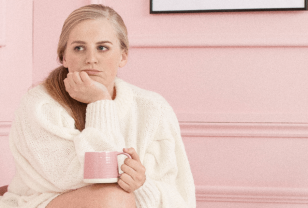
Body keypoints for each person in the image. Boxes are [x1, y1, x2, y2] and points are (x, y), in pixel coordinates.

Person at [0, 4, 196, 208]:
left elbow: (178, 197)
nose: (91, 59)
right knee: (113, 198)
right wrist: (100, 102)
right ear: (64, 57)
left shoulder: (153, 108)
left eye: (102, 48)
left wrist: (141, 184)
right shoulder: (39, 105)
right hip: (36, 203)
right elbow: (94, 176)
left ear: (123, 56)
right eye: (79, 48)